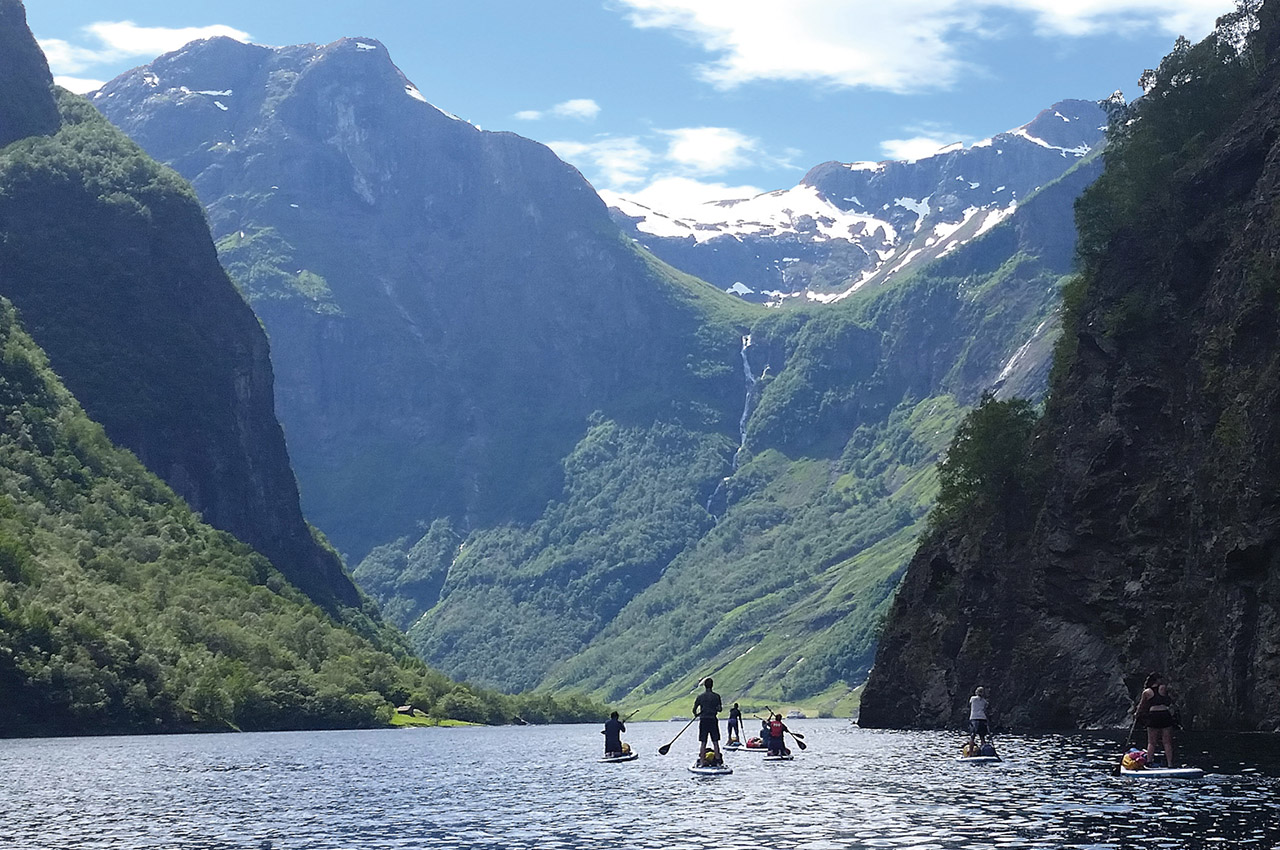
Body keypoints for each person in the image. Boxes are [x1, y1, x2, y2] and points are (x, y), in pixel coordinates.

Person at [1135, 672, 1177, 767]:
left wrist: (1137, 714)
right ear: (1157, 680)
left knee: (1151, 742)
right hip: (1165, 714)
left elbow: (1141, 705)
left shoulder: (1146, 692)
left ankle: (1149, 761)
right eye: (1160, 678)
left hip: (1153, 716)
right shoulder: (1163, 688)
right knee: (1167, 742)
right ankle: (1170, 764)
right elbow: (1169, 698)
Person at [693, 677, 723, 766]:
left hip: (704, 720)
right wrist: (715, 708)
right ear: (712, 685)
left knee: (703, 742)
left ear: (705, 686)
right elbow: (720, 709)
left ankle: (702, 762)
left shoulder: (700, 697)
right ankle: (718, 762)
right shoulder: (716, 696)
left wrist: (696, 714)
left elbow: (694, 710)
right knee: (715, 742)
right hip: (713, 720)